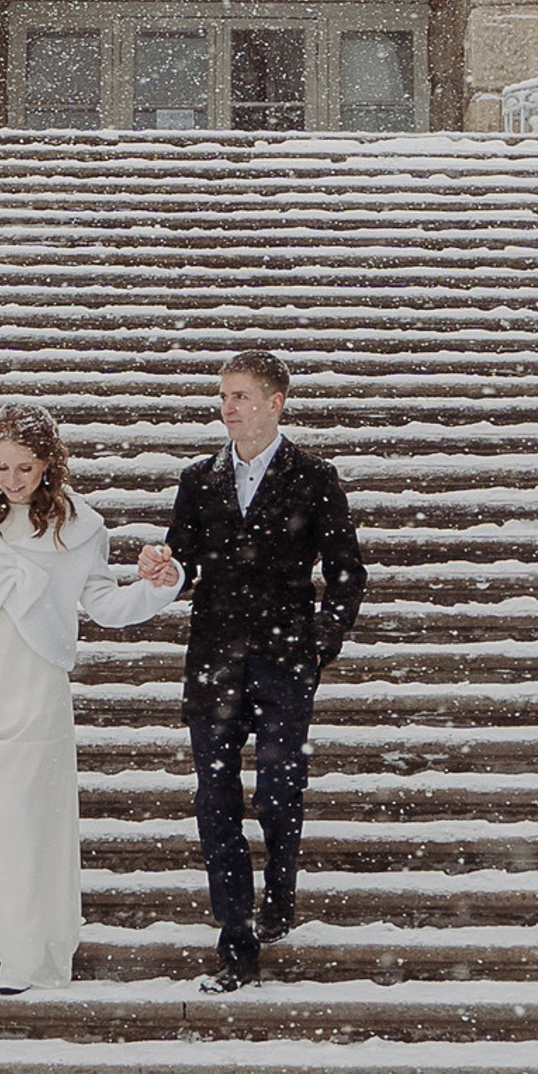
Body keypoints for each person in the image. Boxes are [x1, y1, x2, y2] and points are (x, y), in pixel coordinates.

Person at [0, 403, 182, 997]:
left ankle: (26, 948)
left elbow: (104, 604)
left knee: (25, 818)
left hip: (32, 686)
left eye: (25, 468)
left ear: (49, 464)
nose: (12, 480)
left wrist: (158, 589)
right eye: (1, 466)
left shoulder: (82, 528)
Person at [139, 343, 364, 994]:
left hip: (284, 659)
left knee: (276, 793)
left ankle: (282, 890)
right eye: (223, 395)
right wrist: (166, 569)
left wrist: (320, 641)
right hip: (213, 661)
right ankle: (235, 945)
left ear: (275, 403)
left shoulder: (315, 477)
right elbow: (183, 563)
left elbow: (347, 572)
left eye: (240, 395)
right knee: (214, 800)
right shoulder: (197, 479)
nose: (226, 407)